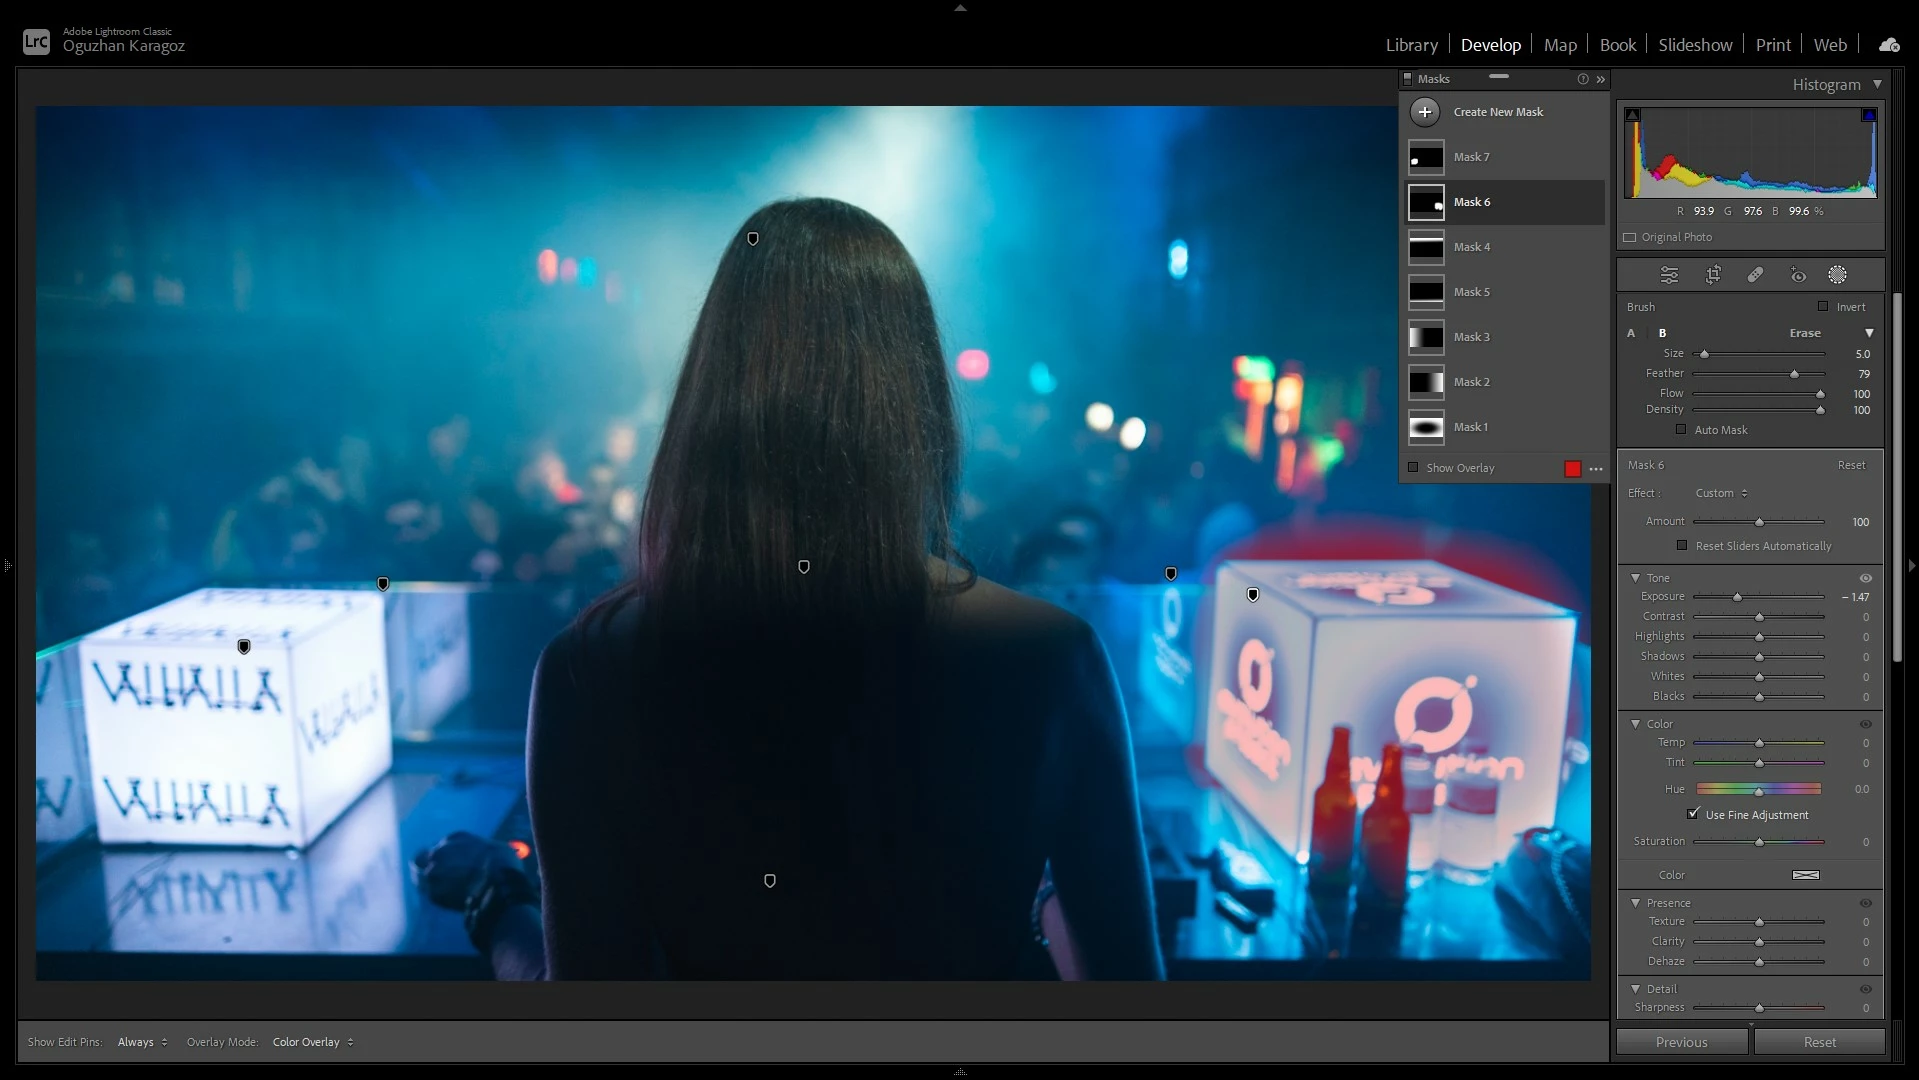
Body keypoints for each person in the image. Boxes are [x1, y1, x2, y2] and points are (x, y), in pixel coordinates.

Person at [424, 198, 1163, 981]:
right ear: (917, 400)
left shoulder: (589, 668)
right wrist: (1031, 891)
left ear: (709, 399)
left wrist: (497, 907)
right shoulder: (1050, 655)